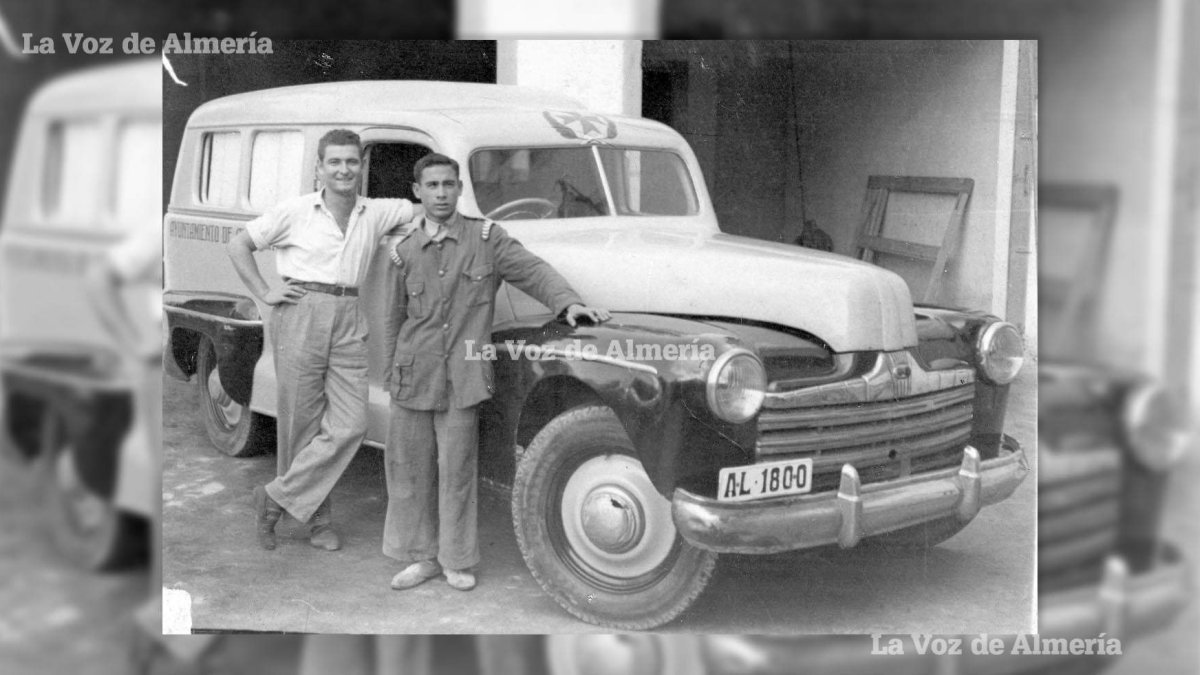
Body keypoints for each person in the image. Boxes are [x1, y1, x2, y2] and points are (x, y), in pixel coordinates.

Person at [383, 153, 609, 591]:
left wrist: (568, 302)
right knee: (410, 471)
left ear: (459, 189)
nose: (441, 193)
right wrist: (390, 376)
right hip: (413, 375)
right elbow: (390, 321)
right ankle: (420, 558)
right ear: (417, 191)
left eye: (448, 185)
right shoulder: (402, 251)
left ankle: (455, 560)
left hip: (464, 377)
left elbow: (533, 271)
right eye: (432, 186)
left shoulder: (486, 238)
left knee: (457, 471)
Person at [226, 129, 420, 552]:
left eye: (351, 161)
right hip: (302, 311)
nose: (343, 169)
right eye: (334, 162)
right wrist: (264, 291)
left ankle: (273, 498)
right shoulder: (295, 211)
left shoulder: (377, 211)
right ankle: (318, 523)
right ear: (319, 168)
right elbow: (238, 244)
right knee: (301, 424)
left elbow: (422, 206)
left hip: (350, 315)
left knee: (352, 424)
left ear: (362, 167)